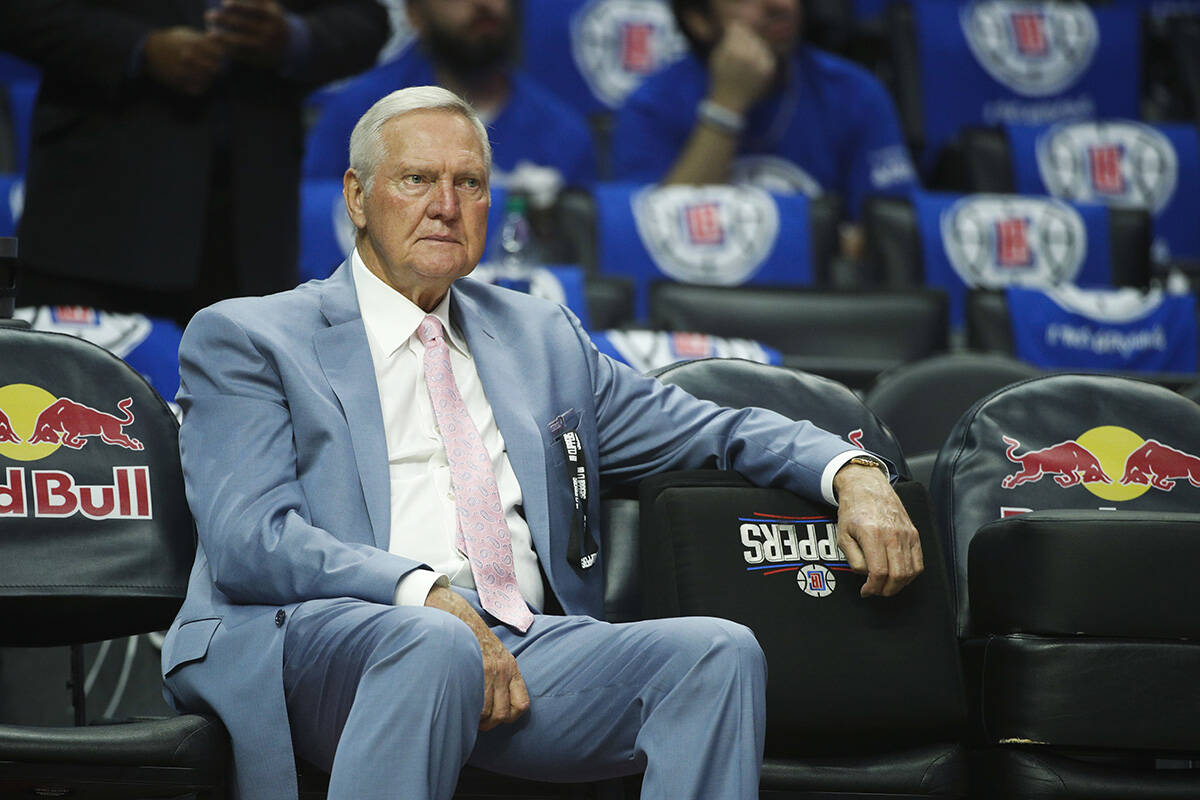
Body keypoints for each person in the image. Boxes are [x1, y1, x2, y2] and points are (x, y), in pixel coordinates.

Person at [160, 85, 923, 800]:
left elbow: (709, 424)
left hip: (514, 641)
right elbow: (250, 540)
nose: (445, 206)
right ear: (357, 199)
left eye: (470, 184)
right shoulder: (250, 335)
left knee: (715, 655)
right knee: (430, 643)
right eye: (417, 179)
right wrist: (422, 592)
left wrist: (849, 469)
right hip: (313, 635)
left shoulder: (538, 336)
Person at [0, 0, 389, 325]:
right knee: (77, 397)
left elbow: (365, 20)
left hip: (248, 227)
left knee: (246, 407)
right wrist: (139, 47)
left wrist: (292, 38)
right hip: (96, 221)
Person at [610, 0, 918, 258]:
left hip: (822, 310)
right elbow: (653, 247)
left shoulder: (855, 93)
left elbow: (895, 235)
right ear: (699, 20)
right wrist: (725, 107)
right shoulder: (652, 105)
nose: (781, 4)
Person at [303, 0, 596, 188]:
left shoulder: (563, 132)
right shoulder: (357, 114)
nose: (482, 4)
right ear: (414, 14)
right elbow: (319, 230)